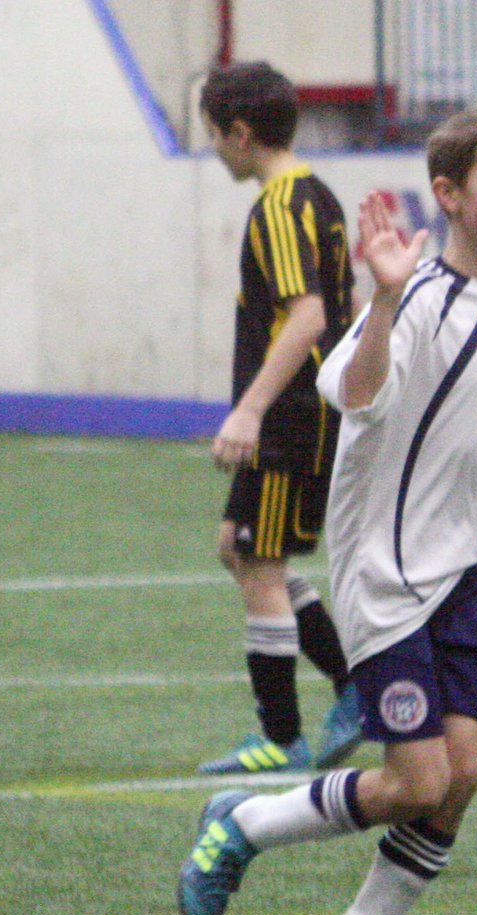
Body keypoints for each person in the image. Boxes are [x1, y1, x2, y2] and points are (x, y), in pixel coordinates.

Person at [178, 110, 477, 915]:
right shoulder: (412, 295)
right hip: (385, 574)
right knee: (415, 777)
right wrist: (382, 298)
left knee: (461, 776)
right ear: (450, 194)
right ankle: (246, 824)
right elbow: (351, 390)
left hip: (467, 570)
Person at [196, 62, 363, 775]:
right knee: (239, 547)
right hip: (305, 410)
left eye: (215, 136)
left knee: (261, 561)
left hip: (292, 413)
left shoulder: (282, 206)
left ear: (240, 132)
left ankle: (282, 735)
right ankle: (356, 684)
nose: (215, 149)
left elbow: (309, 316)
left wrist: (249, 409)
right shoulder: (313, 193)